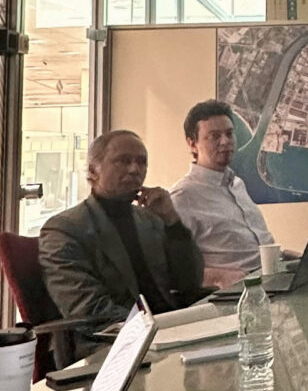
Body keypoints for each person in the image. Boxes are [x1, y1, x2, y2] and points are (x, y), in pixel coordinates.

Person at [39, 130, 204, 321]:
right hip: (120, 334)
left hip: (170, 322)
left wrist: (173, 223)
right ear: (93, 171)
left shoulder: (150, 219)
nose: (134, 169)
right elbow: (90, 309)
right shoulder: (64, 230)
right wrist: (154, 326)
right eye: (123, 161)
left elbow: (190, 283)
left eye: (142, 162)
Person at [170, 99, 285, 287]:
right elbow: (172, 269)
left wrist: (286, 257)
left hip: (271, 279)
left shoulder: (237, 184)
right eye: (214, 136)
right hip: (236, 292)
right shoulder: (182, 197)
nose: (225, 141)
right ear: (192, 144)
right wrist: (218, 277)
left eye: (229, 134)